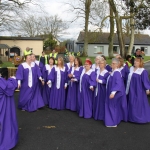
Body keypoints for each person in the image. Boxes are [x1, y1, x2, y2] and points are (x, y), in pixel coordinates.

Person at [126, 57, 150, 123]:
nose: (135, 62)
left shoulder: (142, 71)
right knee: (131, 102)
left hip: (139, 90)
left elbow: (145, 80)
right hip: (131, 89)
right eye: (135, 61)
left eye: (137, 61)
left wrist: (147, 89)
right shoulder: (131, 69)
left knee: (138, 103)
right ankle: (131, 118)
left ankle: (139, 118)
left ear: (140, 63)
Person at [105, 58, 127, 127]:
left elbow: (118, 83)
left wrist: (113, 92)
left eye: (114, 63)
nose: (112, 64)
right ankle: (112, 121)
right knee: (112, 106)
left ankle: (113, 122)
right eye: (112, 63)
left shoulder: (117, 72)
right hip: (111, 92)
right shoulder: (113, 72)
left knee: (113, 107)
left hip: (114, 93)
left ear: (117, 65)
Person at [0, 76, 18, 150]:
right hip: (4, 105)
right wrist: (13, 79)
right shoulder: (4, 82)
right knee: (6, 122)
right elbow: (11, 87)